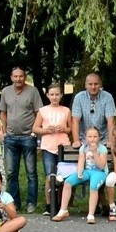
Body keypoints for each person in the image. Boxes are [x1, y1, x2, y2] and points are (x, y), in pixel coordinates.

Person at [0, 66, 44, 213]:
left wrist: (33, 132)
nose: (18, 79)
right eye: (15, 76)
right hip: (10, 137)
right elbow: (3, 112)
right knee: (11, 172)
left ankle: (31, 202)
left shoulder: (33, 91)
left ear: (25, 77)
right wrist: (4, 131)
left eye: (21, 76)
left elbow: (39, 112)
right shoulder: (5, 91)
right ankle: (14, 203)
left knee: (31, 172)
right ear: (11, 77)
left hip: (27, 137)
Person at [51, 127, 108, 224]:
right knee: (68, 182)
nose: (92, 139)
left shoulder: (102, 149)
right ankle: (63, 210)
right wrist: (79, 171)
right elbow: (81, 161)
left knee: (93, 186)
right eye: (89, 136)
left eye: (95, 136)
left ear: (99, 138)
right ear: (85, 138)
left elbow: (102, 166)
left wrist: (95, 153)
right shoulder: (84, 148)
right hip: (88, 170)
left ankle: (91, 214)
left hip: (100, 172)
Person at [32, 83, 73, 216]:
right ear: (48, 95)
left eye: (57, 94)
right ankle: (49, 204)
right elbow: (35, 128)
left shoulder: (66, 110)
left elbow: (70, 128)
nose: (54, 97)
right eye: (52, 94)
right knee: (50, 176)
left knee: (63, 176)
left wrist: (64, 129)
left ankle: (62, 203)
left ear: (61, 95)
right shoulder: (43, 111)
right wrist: (46, 130)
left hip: (62, 145)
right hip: (48, 146)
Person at [71, 72, 116, 145]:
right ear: (85, 85)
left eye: (96, 84)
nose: (93, 87)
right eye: (90, 84)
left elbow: (111, 121)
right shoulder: (79, 97)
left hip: (103, 139)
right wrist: (76, 141)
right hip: (84, 139)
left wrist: (110, 141)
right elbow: (75, 121)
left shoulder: (108, 97)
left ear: (100, 85)